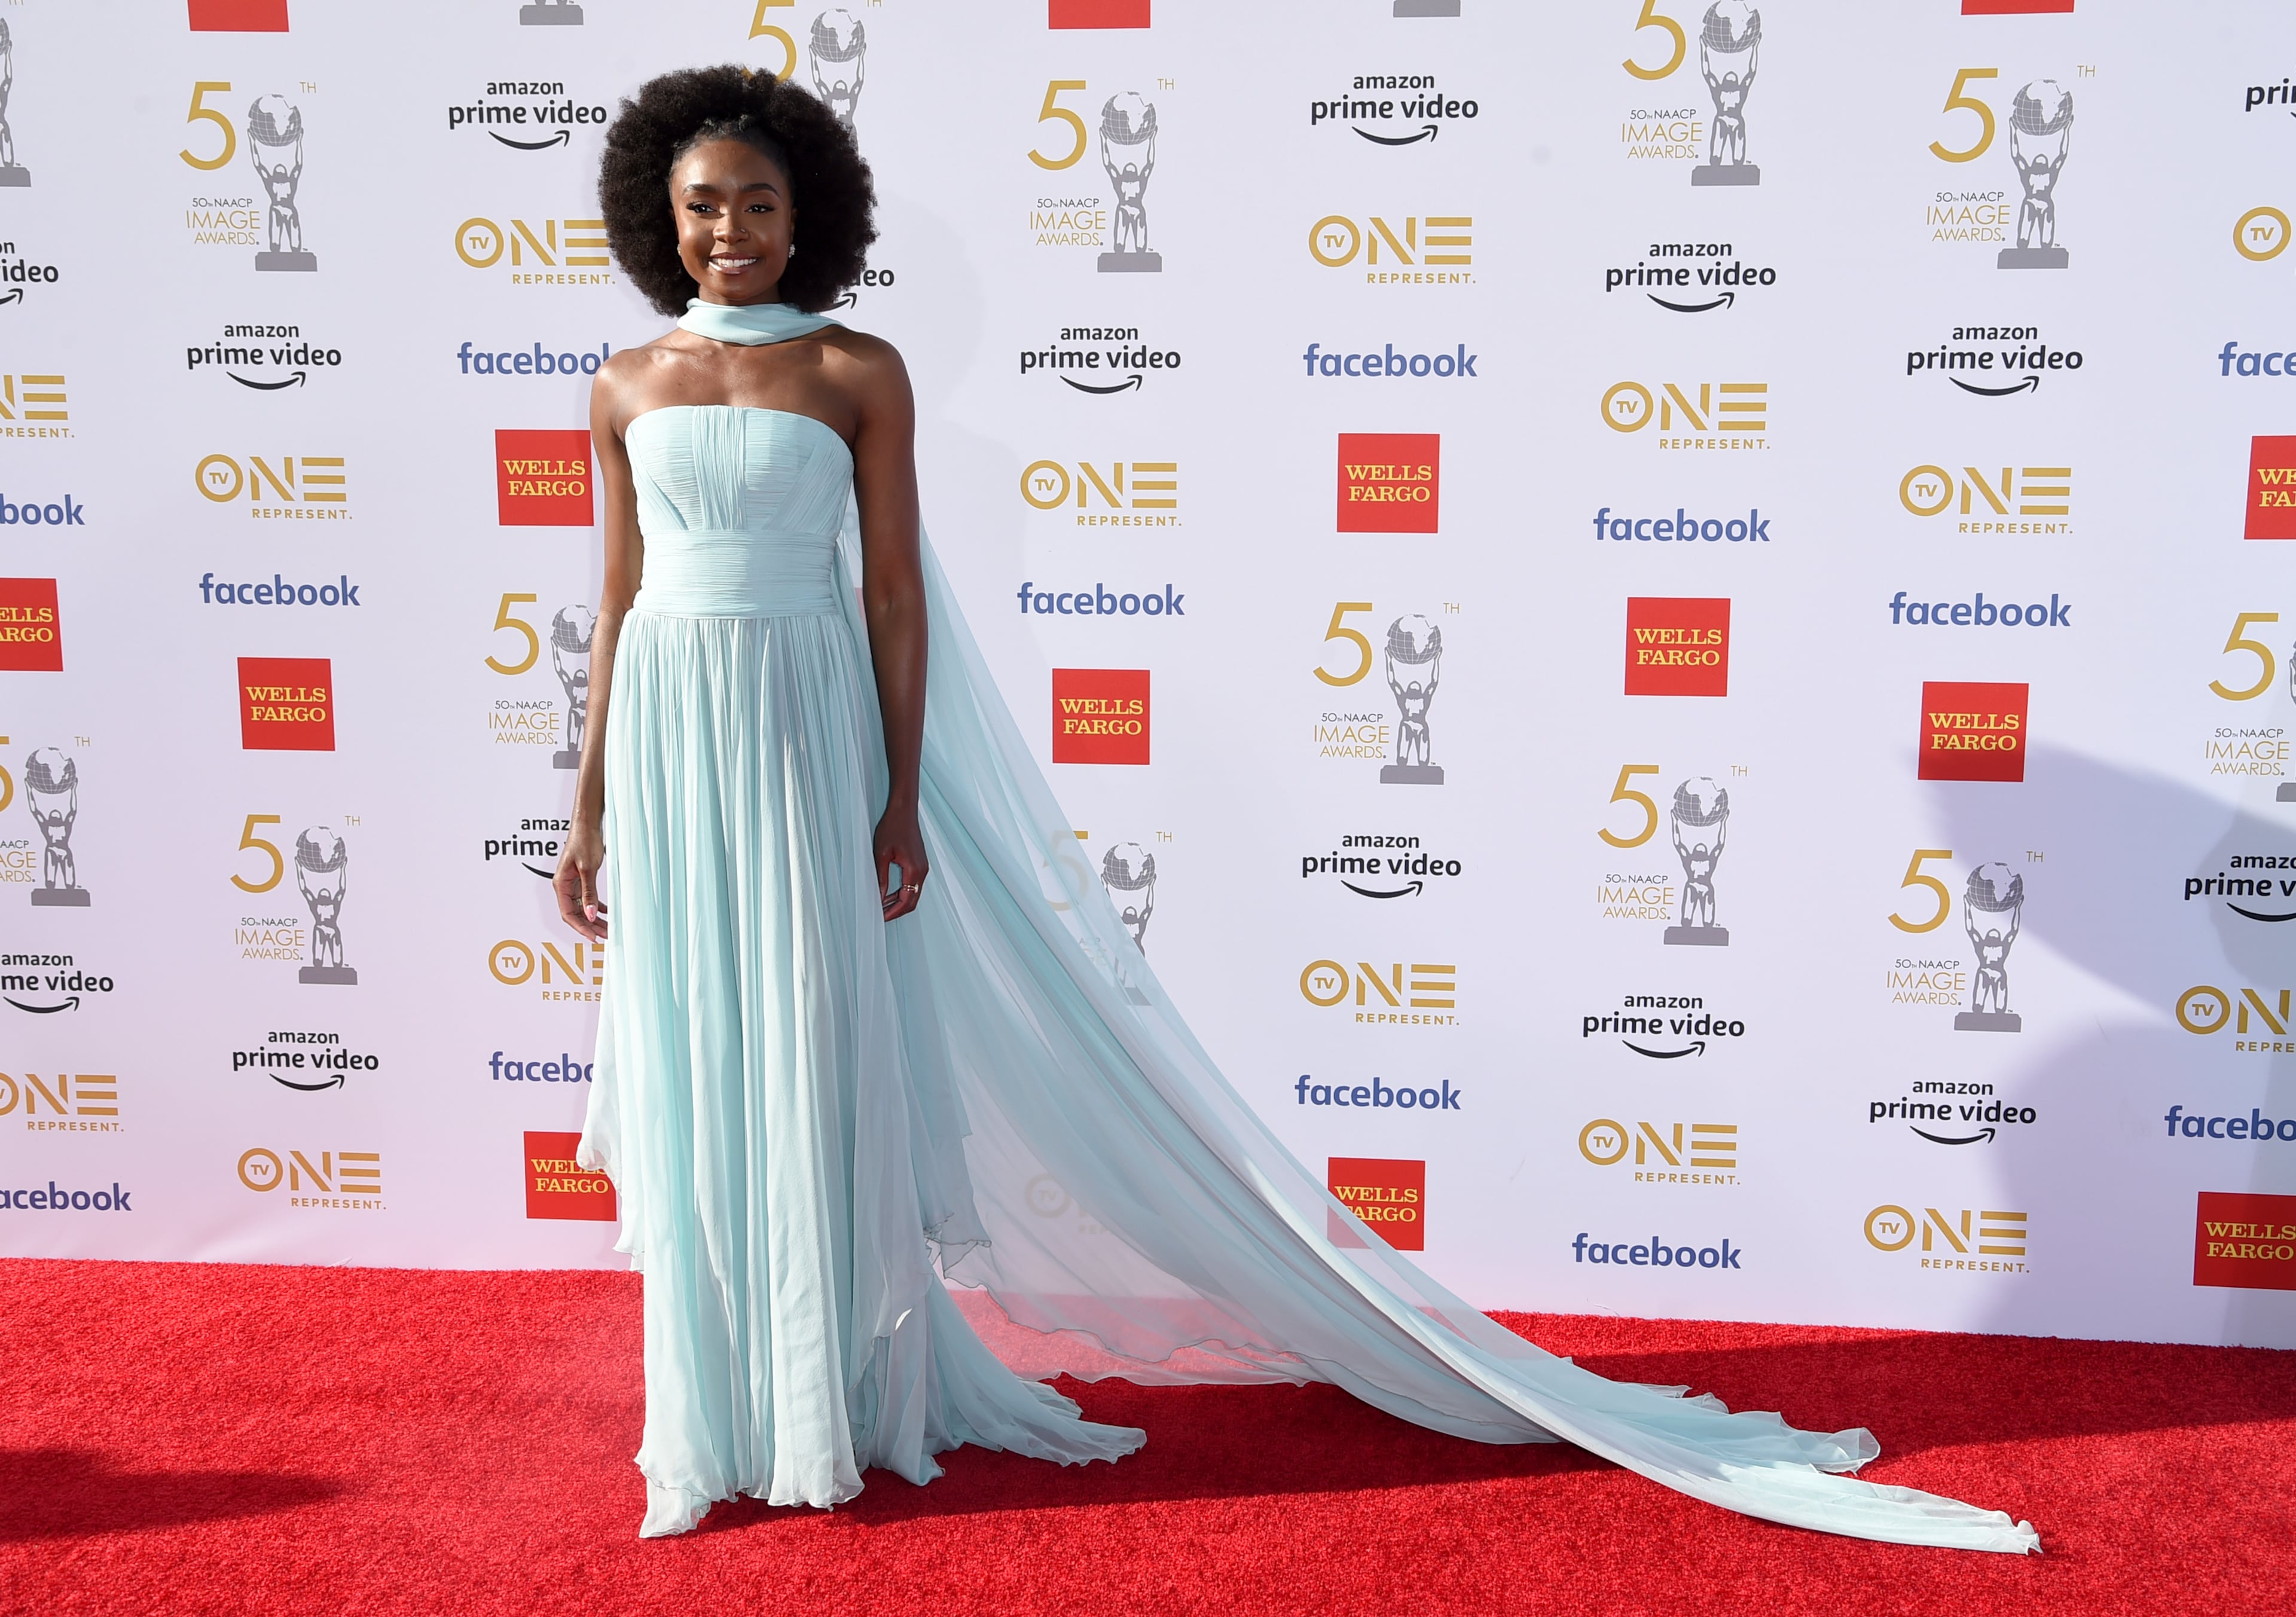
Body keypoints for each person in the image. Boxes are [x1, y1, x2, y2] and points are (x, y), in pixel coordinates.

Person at [555, 66, 2037, 1552]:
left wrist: (895, 796)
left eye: (759, 202)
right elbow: (615, 608)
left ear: (806, 215)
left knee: (814, 1057)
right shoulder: (623, 385)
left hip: (811, 740)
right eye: (703, 207)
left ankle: (833, 1406)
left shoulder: (855, 371)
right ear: (659, 221)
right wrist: (588, 811)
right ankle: (711, 1417)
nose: (731, 229)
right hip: (678, 744)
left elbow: (888, 598)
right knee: (700, 1065)